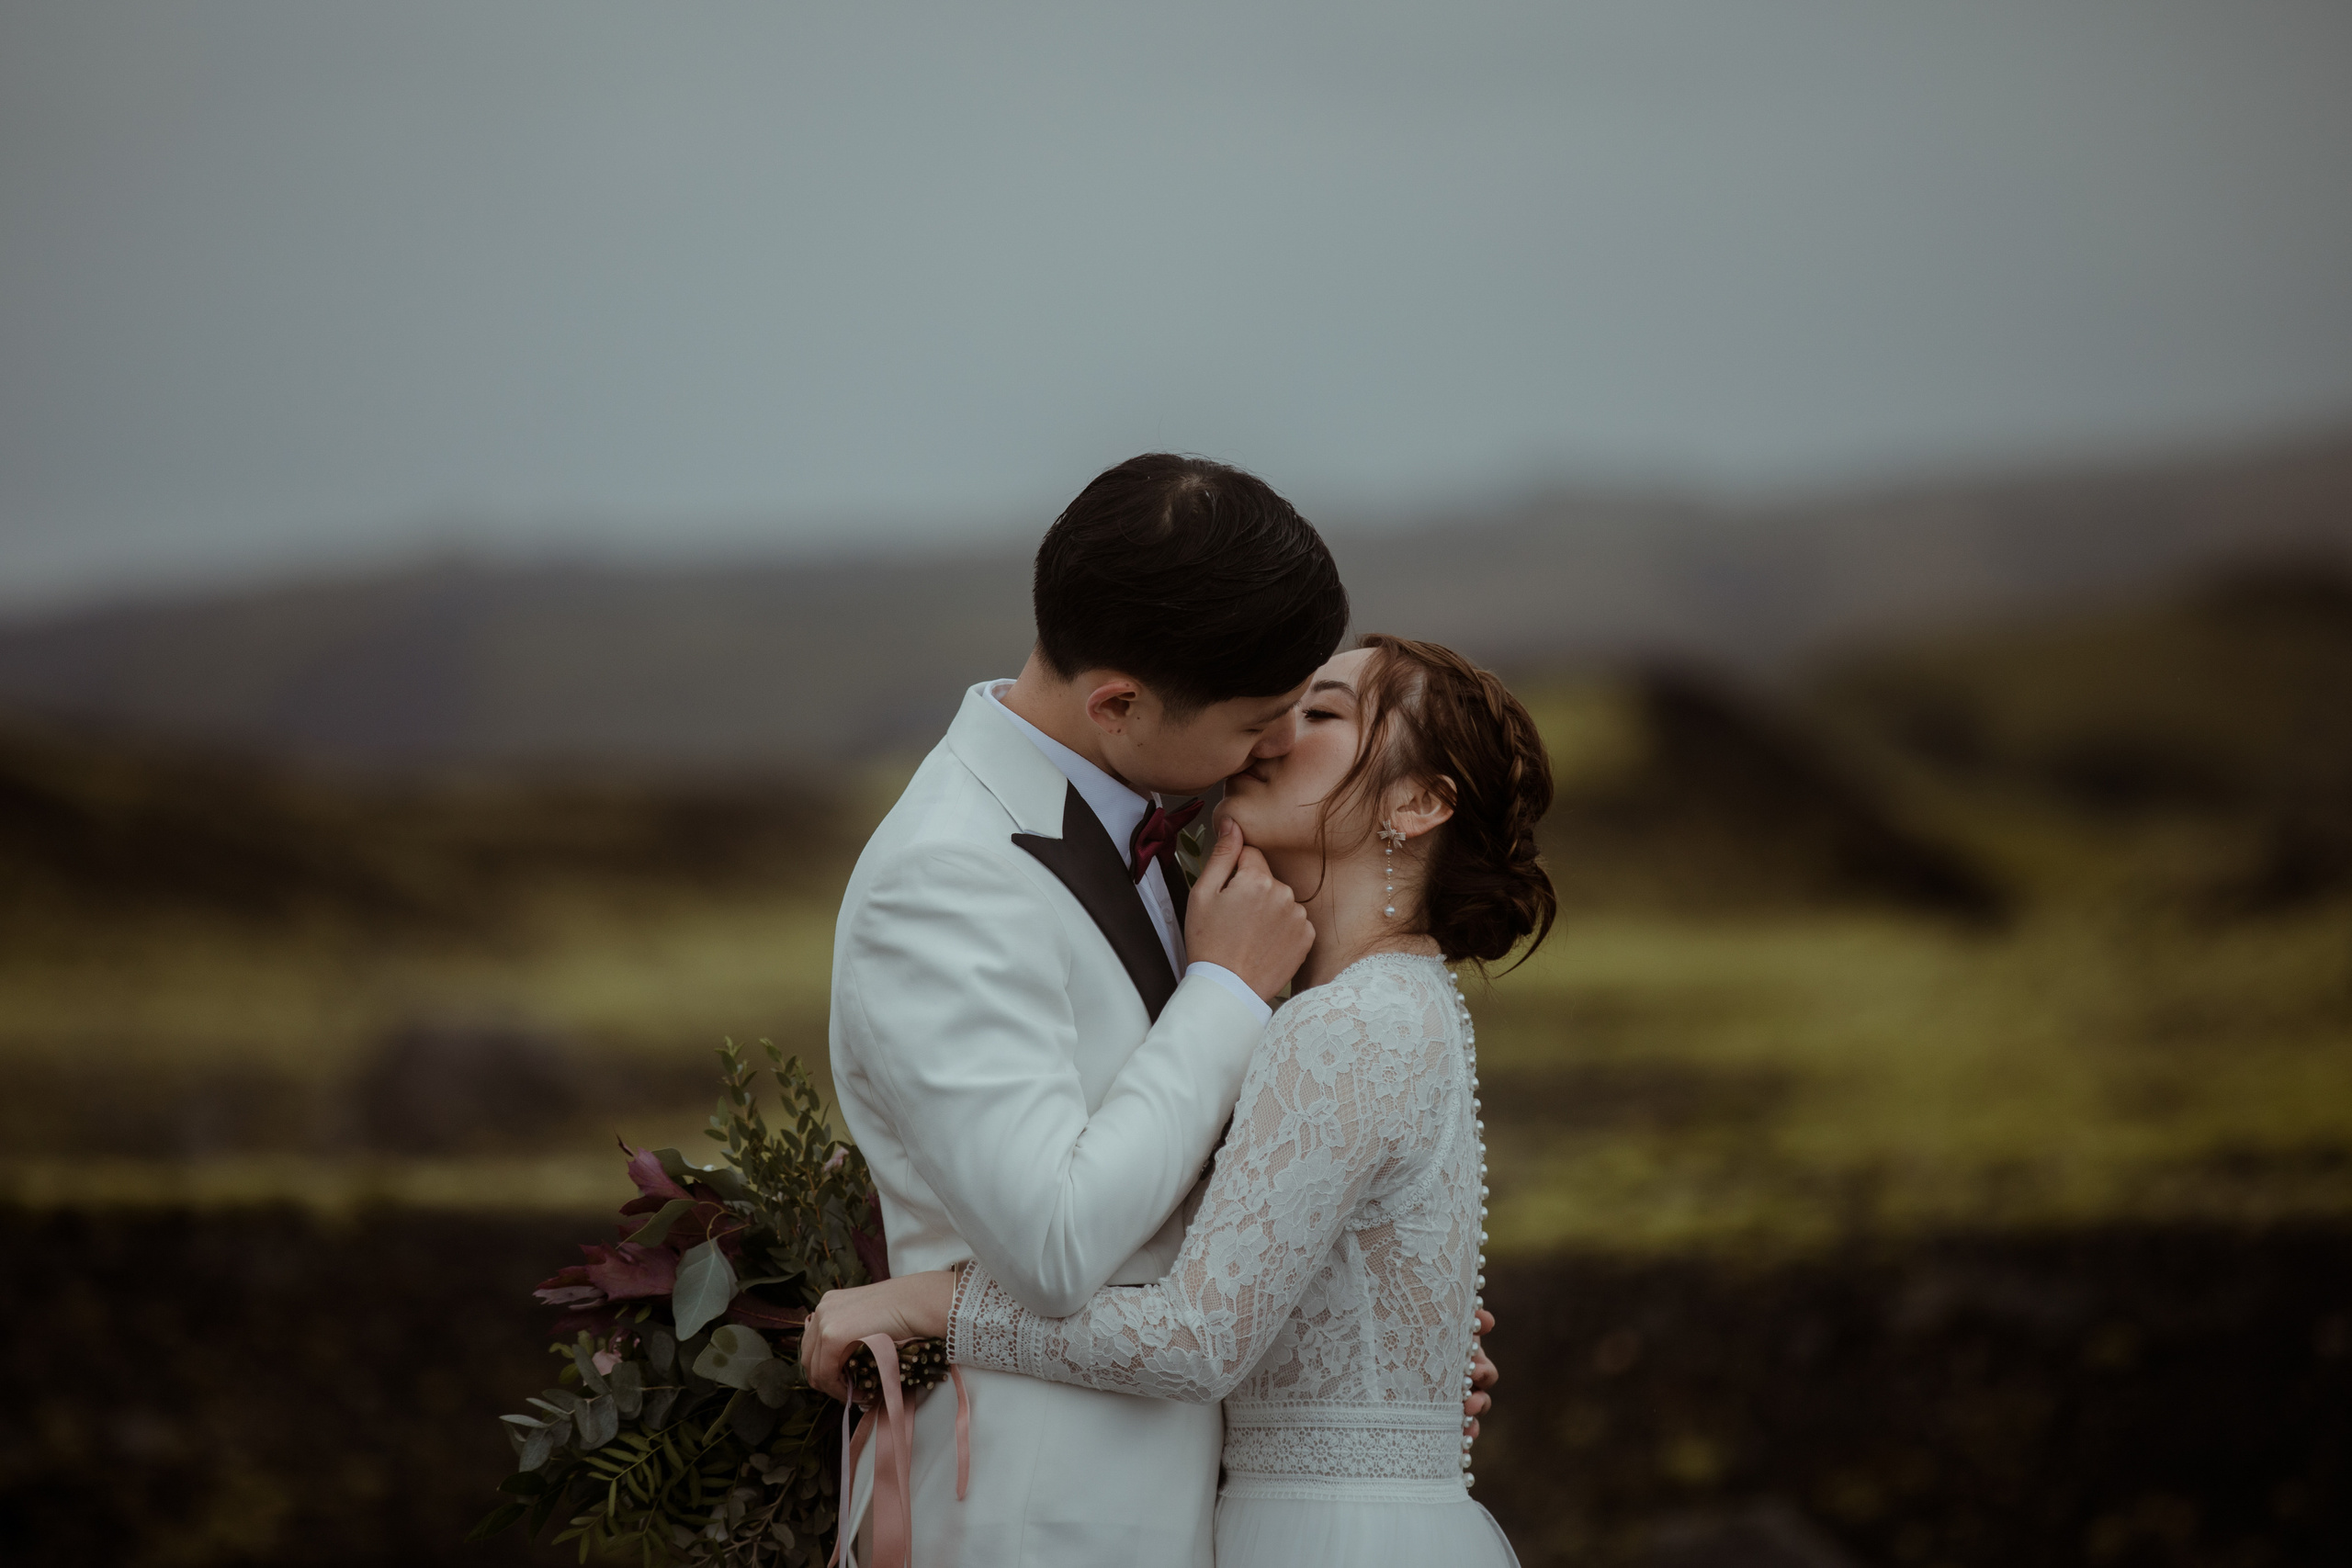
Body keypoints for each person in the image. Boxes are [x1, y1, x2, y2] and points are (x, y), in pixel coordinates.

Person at [824, 456, 1497, 1568]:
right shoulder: (944, 877)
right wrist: (1225, 989)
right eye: (1260, 720)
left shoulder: (1166, 834)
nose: (1277, 746)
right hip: (1041, 1519)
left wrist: (1367, 1343)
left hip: (1195, 1499)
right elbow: (1053, 1241)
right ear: (1118, 704)